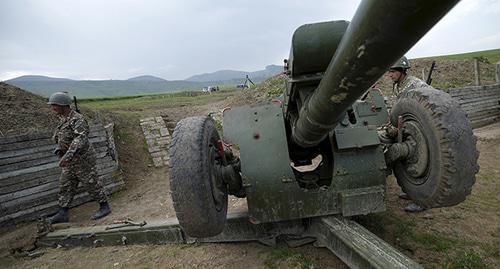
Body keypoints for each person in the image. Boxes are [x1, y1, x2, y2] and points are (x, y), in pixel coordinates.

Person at [47, 92, 111, 224]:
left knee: (91, 182)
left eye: (54, 105)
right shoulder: (63, 119)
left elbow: (80, 139)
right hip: (69, 159)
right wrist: (60, 148)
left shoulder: (78, 119)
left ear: (63, 105)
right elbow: (64, 136)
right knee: (65, 184)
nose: (52, 107)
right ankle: (63, 213)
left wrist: (67, 156)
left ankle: (104, 207)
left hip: (82, 159)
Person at [387, 56, 428, 213]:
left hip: (420, 130)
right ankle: (410, 191)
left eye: (392, 72)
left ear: (402, 71)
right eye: (389, 72)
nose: (389, 75)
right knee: (406, 161)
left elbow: (429, 108)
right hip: (407, 128)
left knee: (422, 163)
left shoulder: (417, 85)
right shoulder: (399, 86)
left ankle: (422, 200)